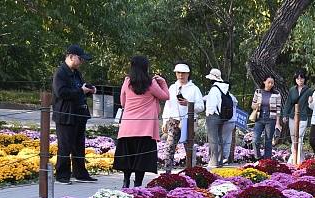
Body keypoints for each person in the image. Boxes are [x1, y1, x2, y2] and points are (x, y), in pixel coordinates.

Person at [112, 55, 169, 188]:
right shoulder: (151, 84)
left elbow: (123, 102)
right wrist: (163, 82)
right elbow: (166, 96)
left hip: (127, 127)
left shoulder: (127, 82)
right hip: (145, 128)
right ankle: (138, 184)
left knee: (127, 156)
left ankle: (125, 181)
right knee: (141, 159)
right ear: (146, 68)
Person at [52, 44, 98, 184]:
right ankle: (62, 175)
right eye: (80, 59)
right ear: (70, 57)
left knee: (79, 145)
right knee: (65, 146)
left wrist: (88, 90)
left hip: (79, 113)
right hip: (66, 115)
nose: (82, 62)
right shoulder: (60, 73)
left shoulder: (76, 72)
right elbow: (62, 92)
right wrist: (80, 91)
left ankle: (80, 174)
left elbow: (79, 88)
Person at [162, 63, 205, 173]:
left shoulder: (194, 89)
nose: (181, 75)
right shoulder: (172, 88)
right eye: (178, 73)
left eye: (183, 73)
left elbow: (201, 107)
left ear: (188, 74)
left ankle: (190, 172)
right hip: (174, 120)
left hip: (188, 121)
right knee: (170, 146)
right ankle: (167, 172)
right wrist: (164, 120)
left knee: (188, 147)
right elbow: (168, 105)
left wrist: (189, 104)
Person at [204, 68, 235, 169]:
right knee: (219, 138)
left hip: (214, 116)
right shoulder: (224, 88)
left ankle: (213, 162)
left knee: (213, 139)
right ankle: (219, 160)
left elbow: (212, 105)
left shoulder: (214, 89)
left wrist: (208, 113)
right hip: (222, 116)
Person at [282, 69, 313, 164]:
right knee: (293, 138)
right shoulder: (292, 90)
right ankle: (301, 160)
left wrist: (311, 101)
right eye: (297, 78)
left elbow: (312, 106)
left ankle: (293, 160)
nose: (300, 80)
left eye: (301, 78)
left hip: (303, 117)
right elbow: (288, 103)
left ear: (305, 79)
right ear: (295, 79)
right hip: (292, 116)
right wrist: (285, 115)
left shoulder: (309, 91)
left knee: (299, 138)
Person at [250, 76, 283, 160]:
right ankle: (258, 158)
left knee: (268, 142)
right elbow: (253, 105)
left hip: (271, 118)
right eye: (269, 82)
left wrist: (277, 123)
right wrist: (255, 106)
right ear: (264, 82)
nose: (270, 84)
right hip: (259, 118)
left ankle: (267, 161)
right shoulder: (258, 92)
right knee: (255, 140)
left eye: (272, 83)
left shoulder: (276, 93)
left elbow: (278, 109)